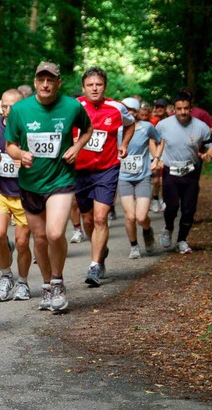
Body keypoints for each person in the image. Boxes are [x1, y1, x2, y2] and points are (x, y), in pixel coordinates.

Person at [5, 62, 92, 311]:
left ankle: (57, 281)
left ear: (58, 83)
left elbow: (87, 129)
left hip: (61, 180)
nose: (45, 84)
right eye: (41, 80)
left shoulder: (72, 106)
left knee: (55, 233)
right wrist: (20, 154)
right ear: (35, 82)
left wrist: (76, 147)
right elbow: (9, 144)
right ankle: (46, 286)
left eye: (50, 80)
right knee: (40, 238)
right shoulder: (20, 110)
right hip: (31, 183)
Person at [76, 67, 135, 287]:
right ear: (83, 87)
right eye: (90, 85)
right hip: (80, 170)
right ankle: (100, 249)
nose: (94, 88)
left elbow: (131, 125)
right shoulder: (75, 107)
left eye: (98, 84)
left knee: (101, 218)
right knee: (88, 220)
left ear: (104, 86)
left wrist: (124, 144)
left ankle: (94, 265)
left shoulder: (117, 108)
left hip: (107, 169)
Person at [0, 88, 33, 302]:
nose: (7, 110)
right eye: (4, 106)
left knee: (22, 242)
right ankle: (6, 275)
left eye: (12, 107)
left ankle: (23, 282)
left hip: (25, 192)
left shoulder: (31, 126)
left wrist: (25, 162)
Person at [158, 92, 212, 254]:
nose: (182, 112)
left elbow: (211, 144)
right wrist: (156, 158)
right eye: (179, 109)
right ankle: (168, 228)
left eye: (186, 108)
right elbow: (154, 142)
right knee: (172, 205)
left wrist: (209, 154)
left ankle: (182, 240)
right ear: (174, 109)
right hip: (171, 171)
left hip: (191, 171)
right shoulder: (163, 125)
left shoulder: (201, 126)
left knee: (189, 208)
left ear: (191, 108)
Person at [118, 98, 163, 259]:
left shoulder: (146, 127)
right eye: (125, 109)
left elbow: (160, 140)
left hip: (143, 176)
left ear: (136, 112)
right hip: (124, 178)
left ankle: (147, 230)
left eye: (131, 110)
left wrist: (156, 159)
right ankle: (134, 246)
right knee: (130, 216)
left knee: (141, 217)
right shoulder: (116, 129)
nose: (128, 112)